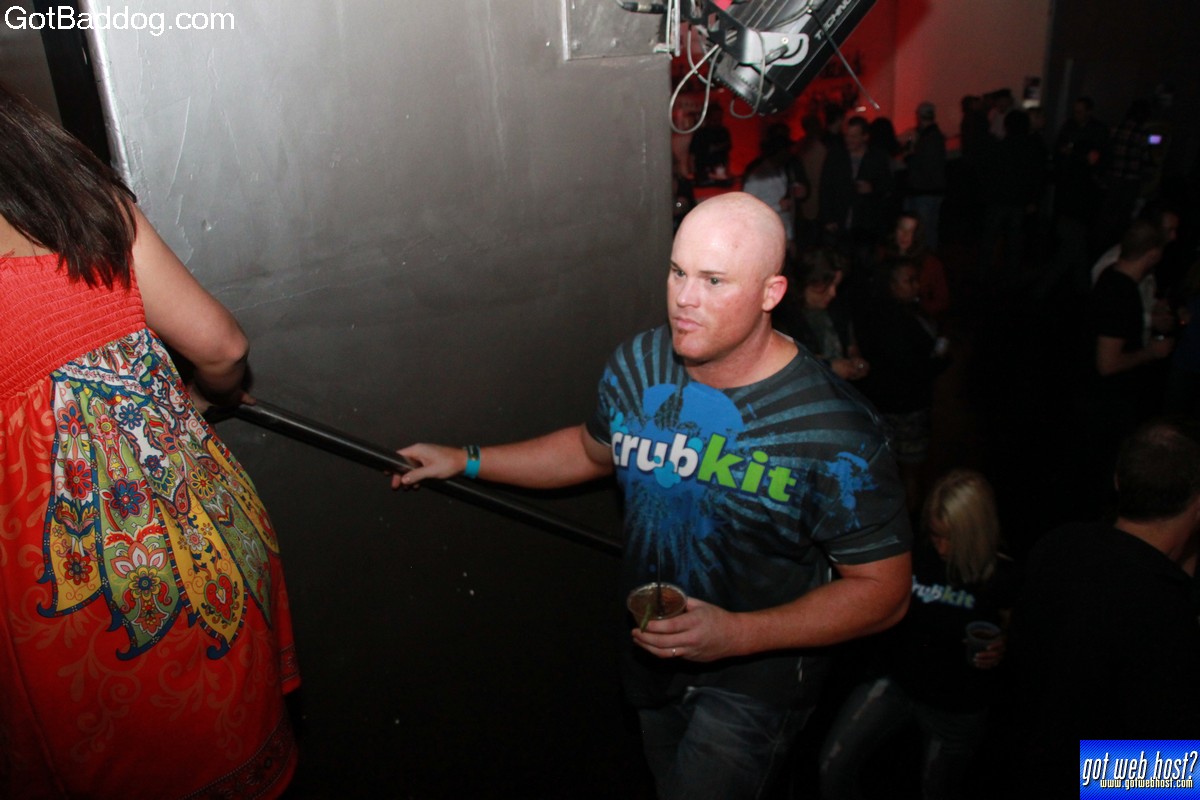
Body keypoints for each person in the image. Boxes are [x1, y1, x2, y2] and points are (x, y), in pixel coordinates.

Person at [392, 192, 913, 799]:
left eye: (713, 281)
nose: (685, 298)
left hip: (755, 685)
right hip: (649, 659)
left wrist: (736, 635)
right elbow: (589, 451)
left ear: (771, 293)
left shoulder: (835, 431)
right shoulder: (638, 365)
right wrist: (467, 459)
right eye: (677, 271)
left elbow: (885, 594)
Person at [0, 84, 299, 797]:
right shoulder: (83, 198)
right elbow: (222, 346)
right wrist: (201, 399)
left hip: (63, 583)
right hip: (199, 536)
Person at [1006, 417, 1200, 782]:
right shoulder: (1168, 618)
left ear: (1118, 481)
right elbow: (1167, 776)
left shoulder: (1056, 546)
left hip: (1010, 764)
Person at [819, 469, 1020, 800]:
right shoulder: (917, 552)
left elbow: (1019, 634)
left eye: (951, 537)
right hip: (896, 683)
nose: (941, 546)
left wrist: (1004, 647)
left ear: (975, 533)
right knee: (832, 767)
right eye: (936, 534)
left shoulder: (1004, 577)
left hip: (955, 709)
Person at [854, 258, 951, 512]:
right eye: (910, 281)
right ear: (892, 285)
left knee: (885, 472)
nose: (917, 286)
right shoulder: (895, 320)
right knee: (908, 472)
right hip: (907, 409)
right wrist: (940, 359)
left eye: (916, 280)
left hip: (882, 405)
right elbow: (913, 367)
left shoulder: (889, 312)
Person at [772, 246, 869, 383]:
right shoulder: (784, 318)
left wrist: (856, 361)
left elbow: (850, 345)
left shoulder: (838, 309)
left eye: (836, 286)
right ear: (807, 282)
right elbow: (786, 363)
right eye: (826, 286)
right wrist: (830, 366)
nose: (833, 293)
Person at [883, 212, 950, 320]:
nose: (905, 235)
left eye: (911, 231)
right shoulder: (883, 254)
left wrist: (919, 309)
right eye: (901, 229)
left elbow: (942, 300)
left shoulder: (930, 263)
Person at [902, 102, 947, 253]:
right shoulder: (935, 136)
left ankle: (925, 260)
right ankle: (928, 260)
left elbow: (923, 165)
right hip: (930, 189)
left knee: (923, 231)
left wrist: (909, 156)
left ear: (919, 116)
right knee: (928, 229)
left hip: (923, 190)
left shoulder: (927, 137)